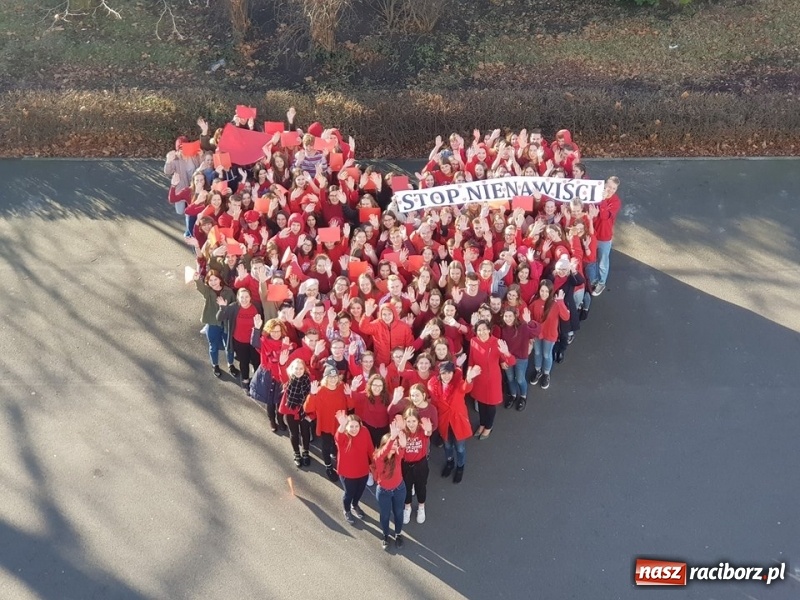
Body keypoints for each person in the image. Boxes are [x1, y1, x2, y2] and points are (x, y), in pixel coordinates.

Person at [428, 362, 480, 483]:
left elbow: (465, 387)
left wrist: (469, 379)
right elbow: (434, 405)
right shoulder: (434, 387)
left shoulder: (458, 384)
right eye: (444, 373)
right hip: (445, 422)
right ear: (439, 374)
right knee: (447, 445)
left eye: (449, 373)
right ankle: (450, 462)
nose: (447, 376)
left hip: (458, 422)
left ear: (453, 373)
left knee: (460, 448)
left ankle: (460, 467)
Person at [468, 320, 515, 439]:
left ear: (489, 330)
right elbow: (471, 360)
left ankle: (488, 427)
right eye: (479, 330)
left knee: (490, 406)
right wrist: (470, 373)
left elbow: (512, 362)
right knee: (481, 403)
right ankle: (482, 423)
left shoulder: (496, 342)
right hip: (479, 378)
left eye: (484, 329)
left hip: (492, 379)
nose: (482, 332)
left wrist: (506, 353)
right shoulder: (473, 341)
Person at [304, 365, 350, 481]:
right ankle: (328, 466)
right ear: (325, 378)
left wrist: (349, 394)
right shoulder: (320, 391)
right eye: (330, 377)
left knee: (339, 445)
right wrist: (312, 394)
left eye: (335, 376)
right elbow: (308, 408)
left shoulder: (342, 387)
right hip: (326, 424)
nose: (333, 379)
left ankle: (340, 463)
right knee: (326, 445)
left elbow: (351, 405)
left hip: (340, 424)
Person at [216, 287, 263, 389]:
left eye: (247, 297)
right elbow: (219, 318)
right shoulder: (233, 307)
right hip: (240, 341)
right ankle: (245, 380)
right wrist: (223, 307)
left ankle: (257, 381)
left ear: (250, 297)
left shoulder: (257, 306)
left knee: (257, 361)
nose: (244, 299)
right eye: (242, 297)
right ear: (238, 297)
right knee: (244, 361)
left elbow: (262, 321)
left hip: (254, 341)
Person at [193, 269, 236, 378]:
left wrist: (225, 307)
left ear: (220, 279)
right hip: (212, 323)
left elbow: (233, 307)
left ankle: (230, 364)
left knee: (229, 346)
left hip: (226, 324)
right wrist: (197, 280)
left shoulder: (229, 292)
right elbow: (201, 287)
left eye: (215, 279)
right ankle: (215, 365)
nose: (213, 282)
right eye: (210, 280)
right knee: (213, 346)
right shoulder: (208, 291)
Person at [334, 411, 374, 525]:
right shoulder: (343, 436)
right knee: (349, 493)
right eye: (351, 426)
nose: (354, 429)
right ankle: (346, 510)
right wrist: (341, 425)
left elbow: (370, 448)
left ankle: (355, 505)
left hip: (362, 470)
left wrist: (375, 465)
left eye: (356, 426)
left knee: (360, 491)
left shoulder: (365, 431)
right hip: (347, 473)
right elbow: (337, 437)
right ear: (346, 427)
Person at [528, 280, 570, 390]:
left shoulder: (556, 304)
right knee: (537, 352)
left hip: (549, 335)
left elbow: (566, 317)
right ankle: (538, 371)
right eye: (542, 290)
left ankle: (546, 373)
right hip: (537, 334)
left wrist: (561, 302)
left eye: (547, 291)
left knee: (546, 354)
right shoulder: (535, 303)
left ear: (551, 292)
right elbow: (530, 318)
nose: (544, 293)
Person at [497, 307, 540, 411]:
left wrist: (529, 321)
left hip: (521, 358)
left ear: (515, 316)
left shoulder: (523, 327)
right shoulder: (501, 329)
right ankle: (513, 395)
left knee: (520, 379)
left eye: (510, 316)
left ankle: (523, 396)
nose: (508, 318)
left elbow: (536, 332)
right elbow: (499, 346)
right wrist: (502, 360)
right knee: (510, 378)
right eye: (506, 316)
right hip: (507, 357)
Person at [373, 422, 407, 550]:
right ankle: (385, 534)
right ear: (384, 445)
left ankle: (398, 534)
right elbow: (382, 455)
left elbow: (402, 451)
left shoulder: (397, 457)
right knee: (385, 515)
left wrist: (402, 445)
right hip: (384, 492)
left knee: (398, 513)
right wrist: (392, 439)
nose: (394, 447)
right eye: (391, 445)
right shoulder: (379, 458)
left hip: (399, 489)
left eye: (395, 445)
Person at [400, 408, 433, 525]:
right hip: (406, 465)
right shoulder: (402, 431)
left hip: (420, 464)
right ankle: (407, 507)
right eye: (408, 421)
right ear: (404, 421)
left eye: (414, 421)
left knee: (421, 487)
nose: (411, 424)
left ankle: (421, 507)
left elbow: (428, 433)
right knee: (406, 488)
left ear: (418, 421)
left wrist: (429, 430)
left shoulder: (422, 430)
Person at [278, 357, 313, 467]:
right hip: (291, 411)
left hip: (304, 411)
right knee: (294, 433)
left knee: (305, 432)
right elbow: (281, 373)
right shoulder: (288, 380)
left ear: (304, 369)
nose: (298, 371)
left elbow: (313, 396)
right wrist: (282, 364)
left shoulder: (308, 380)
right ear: (292, 369)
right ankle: (296, 453)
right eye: (296, 368)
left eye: (301, 368)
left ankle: (306, 452)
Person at [592, 176, 621, 296]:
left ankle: (601, 283)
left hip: (604, 237)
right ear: (604, 184)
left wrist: (602, 200)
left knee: (603, 262)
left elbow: (604, 216)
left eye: (613, 188)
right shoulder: (595, 194)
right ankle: (593, 280)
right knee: (592, 260)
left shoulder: (616, 202)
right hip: (593, 234)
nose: (610, 190)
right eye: (609, 187)